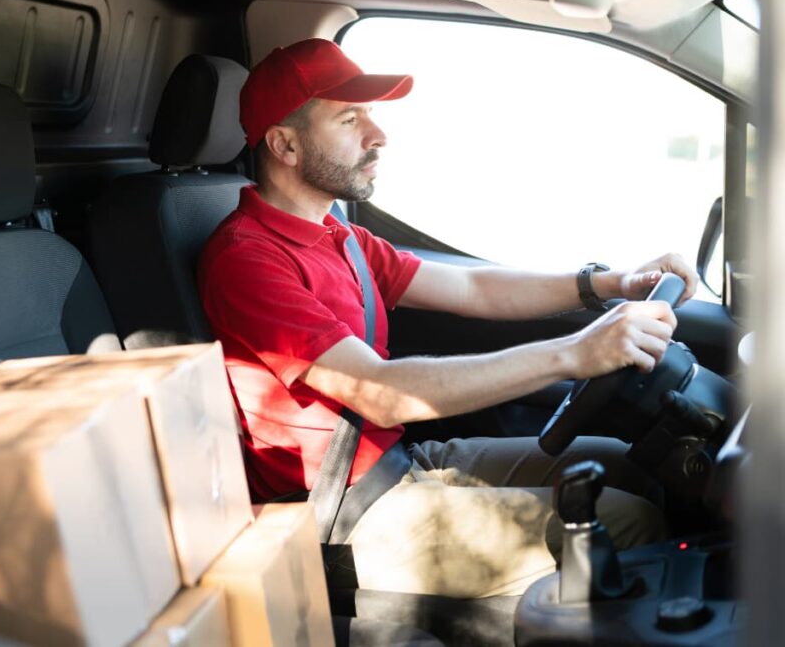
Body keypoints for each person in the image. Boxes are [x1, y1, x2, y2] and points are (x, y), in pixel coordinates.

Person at [196, 38, 700, 598]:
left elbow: (472, 285)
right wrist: (576, 353)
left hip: (395, 465)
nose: (378, 135)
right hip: (344, 514)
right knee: (627, 523)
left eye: (372, 116)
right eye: (349, 119)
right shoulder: (247, 260)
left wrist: (607, 283)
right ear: (284, 144)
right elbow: (378, 393)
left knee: (631, 464)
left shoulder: (341, 236)